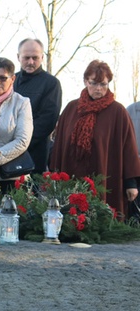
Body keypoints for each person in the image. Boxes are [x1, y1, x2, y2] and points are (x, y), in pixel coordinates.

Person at [50, 60, 140, 221]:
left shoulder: (118, 112)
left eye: (103, 84)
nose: (99, 89)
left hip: (106, 177)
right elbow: (59, 146)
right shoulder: (71, 109)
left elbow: (129, 150)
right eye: (94, 83)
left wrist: (131, 184)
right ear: (85, 81)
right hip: (72, 175)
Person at [0, 58, 33, 196]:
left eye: (3, 78)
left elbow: (22, 141)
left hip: (12, 177)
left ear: (13, 78)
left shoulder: (22, 103)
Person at [13, 38, 62, 174]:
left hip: (34, 154)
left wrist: (19, 143)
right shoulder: (11, 81)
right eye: (26, 57)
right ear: (18, 57)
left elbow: (47, 120)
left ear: (42, 57)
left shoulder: (51, 84)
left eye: (35, 58)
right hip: (6, 152)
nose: (30, 62)